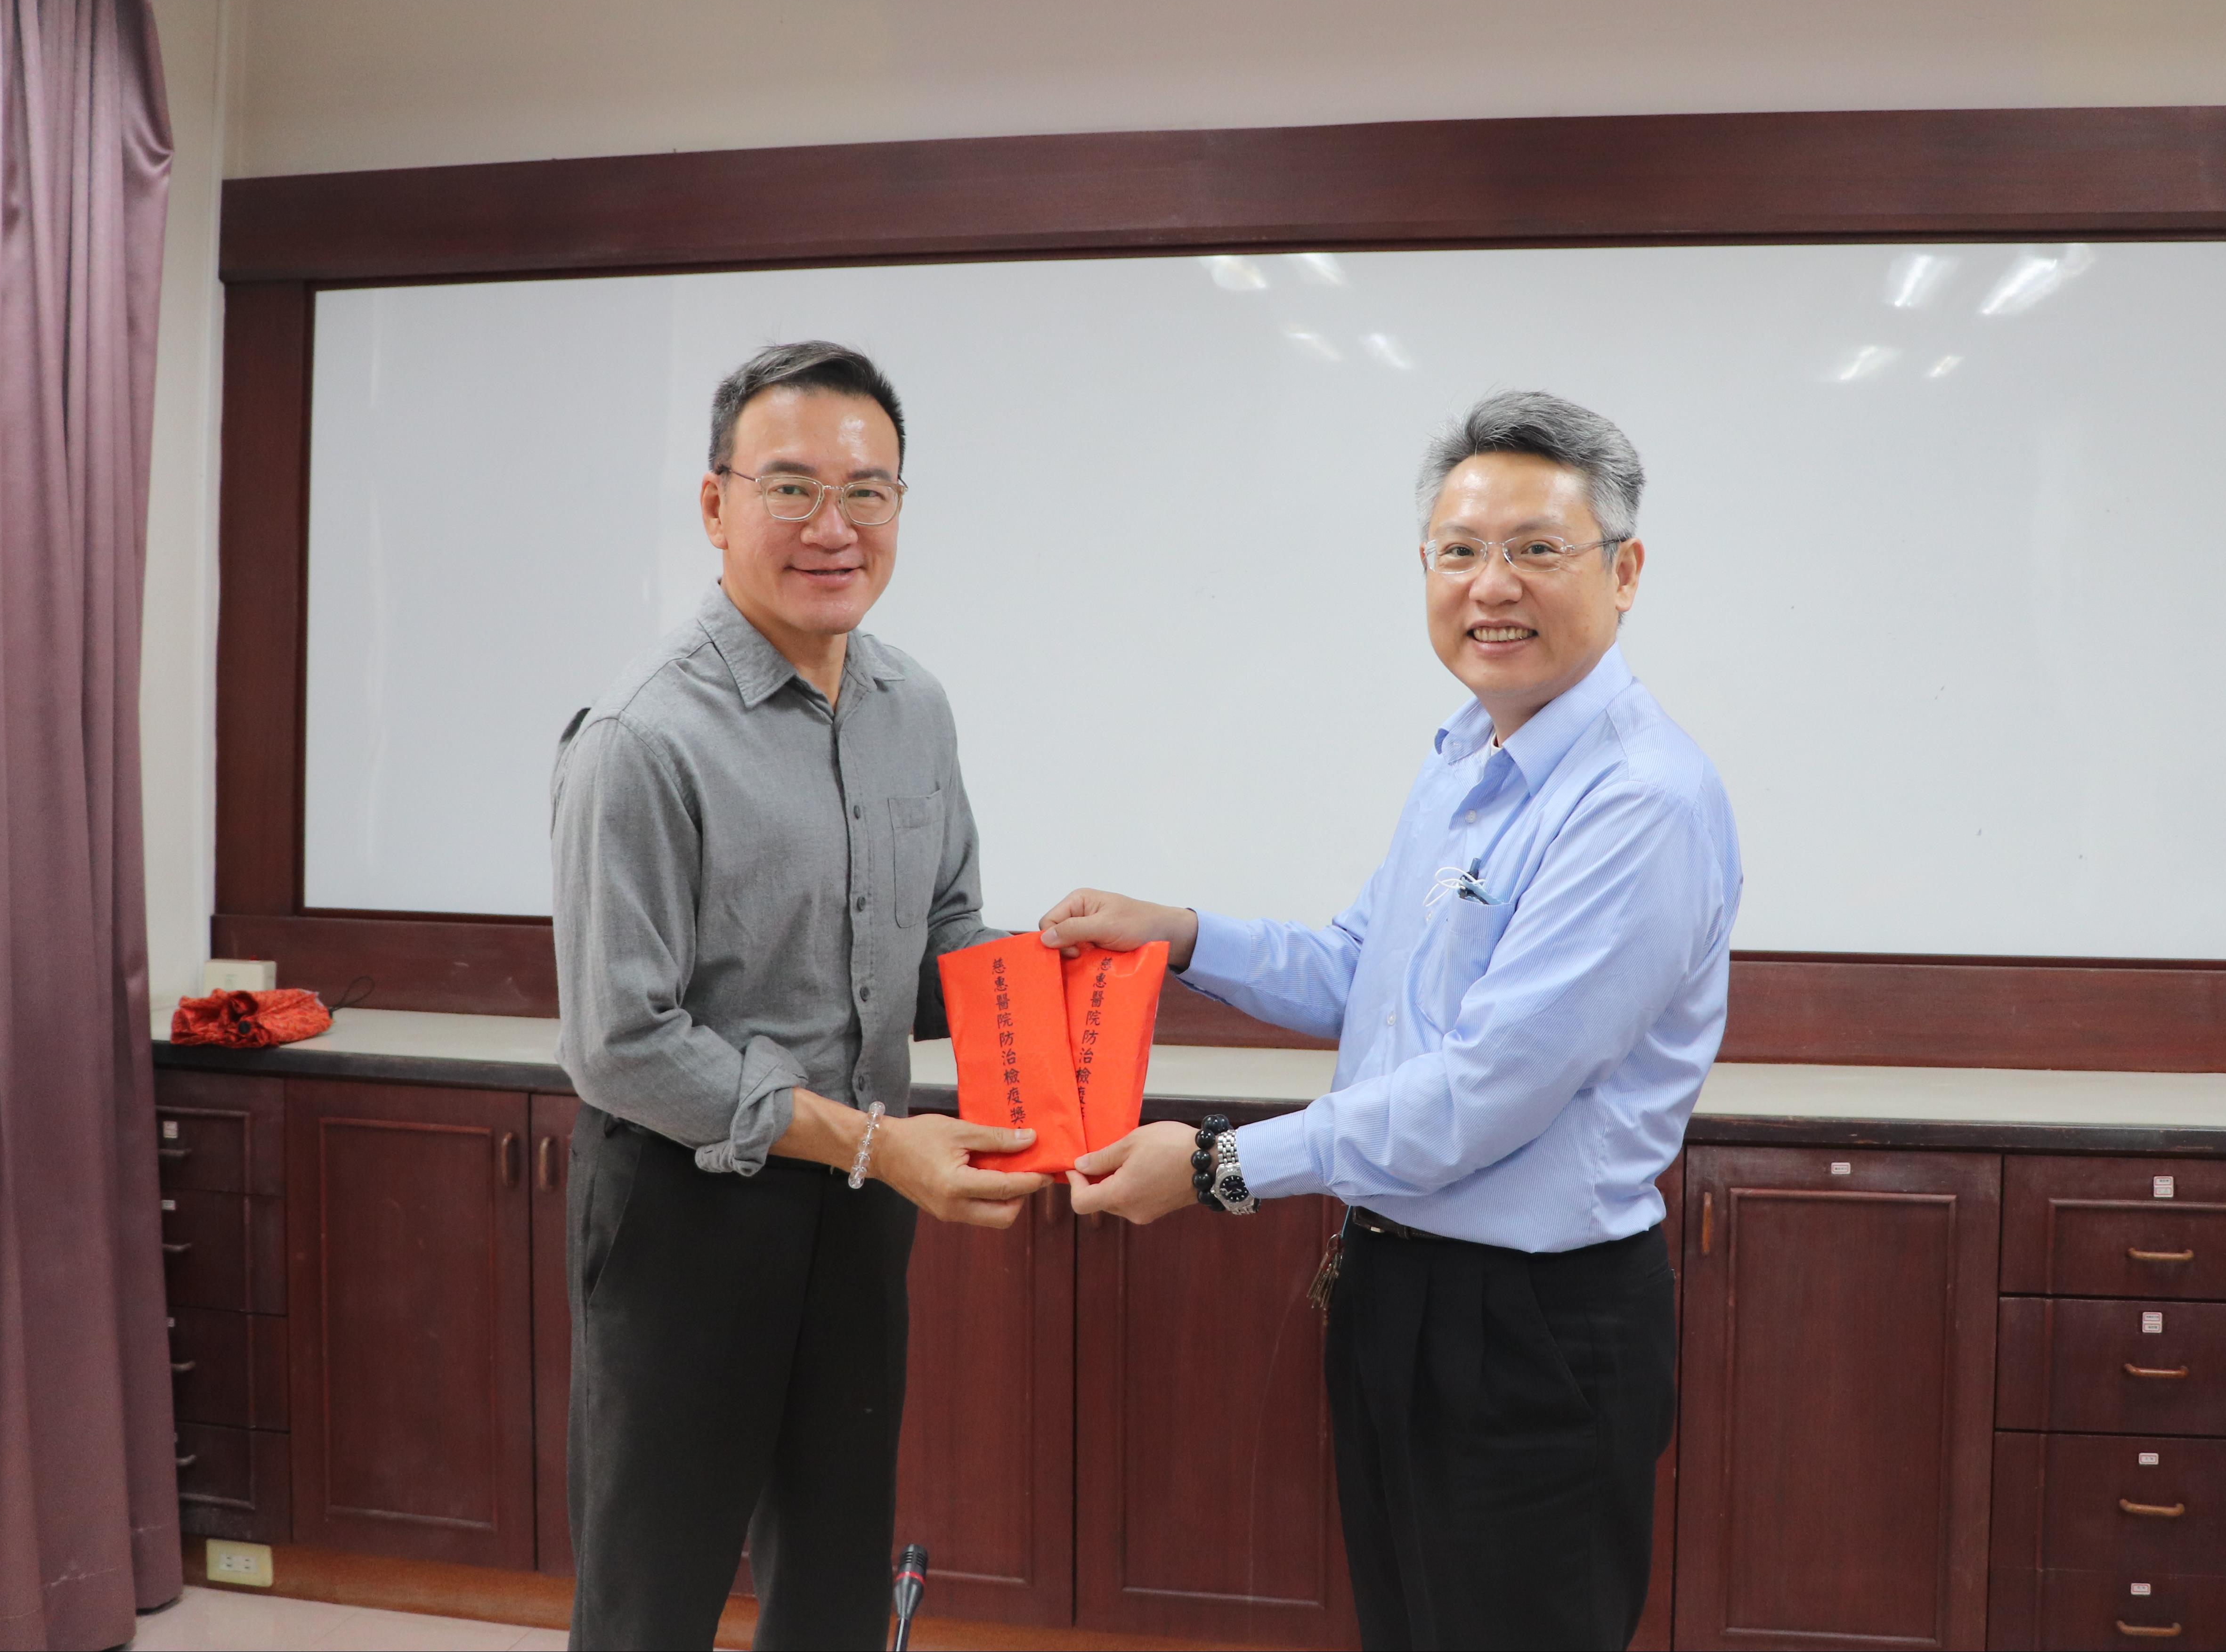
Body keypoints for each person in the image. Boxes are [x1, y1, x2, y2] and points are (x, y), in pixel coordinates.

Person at [1043, 391, 1740, 1652]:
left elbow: (1485, 1093)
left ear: (1626, 572)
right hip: (1398, 1287)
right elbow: (1361, 973)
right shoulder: (1469, 752)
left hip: (1534, 1325)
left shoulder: (1641, 800)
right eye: (1459, 550)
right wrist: (1181, 936)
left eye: (1536, 549)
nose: (1491, 586)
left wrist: (1214, 1167)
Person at [551, 341, 1044, 1650]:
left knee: (834, 1576)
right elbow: (622, 1043)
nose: (836, 527)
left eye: (868, 491)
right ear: (717, 505)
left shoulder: (913, 708)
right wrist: (876, 1143)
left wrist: (1068, 985)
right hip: (685, 1208)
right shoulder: (641, 738)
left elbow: (935, 947)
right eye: (793, 488)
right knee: (654, 1596)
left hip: (862, 1204)